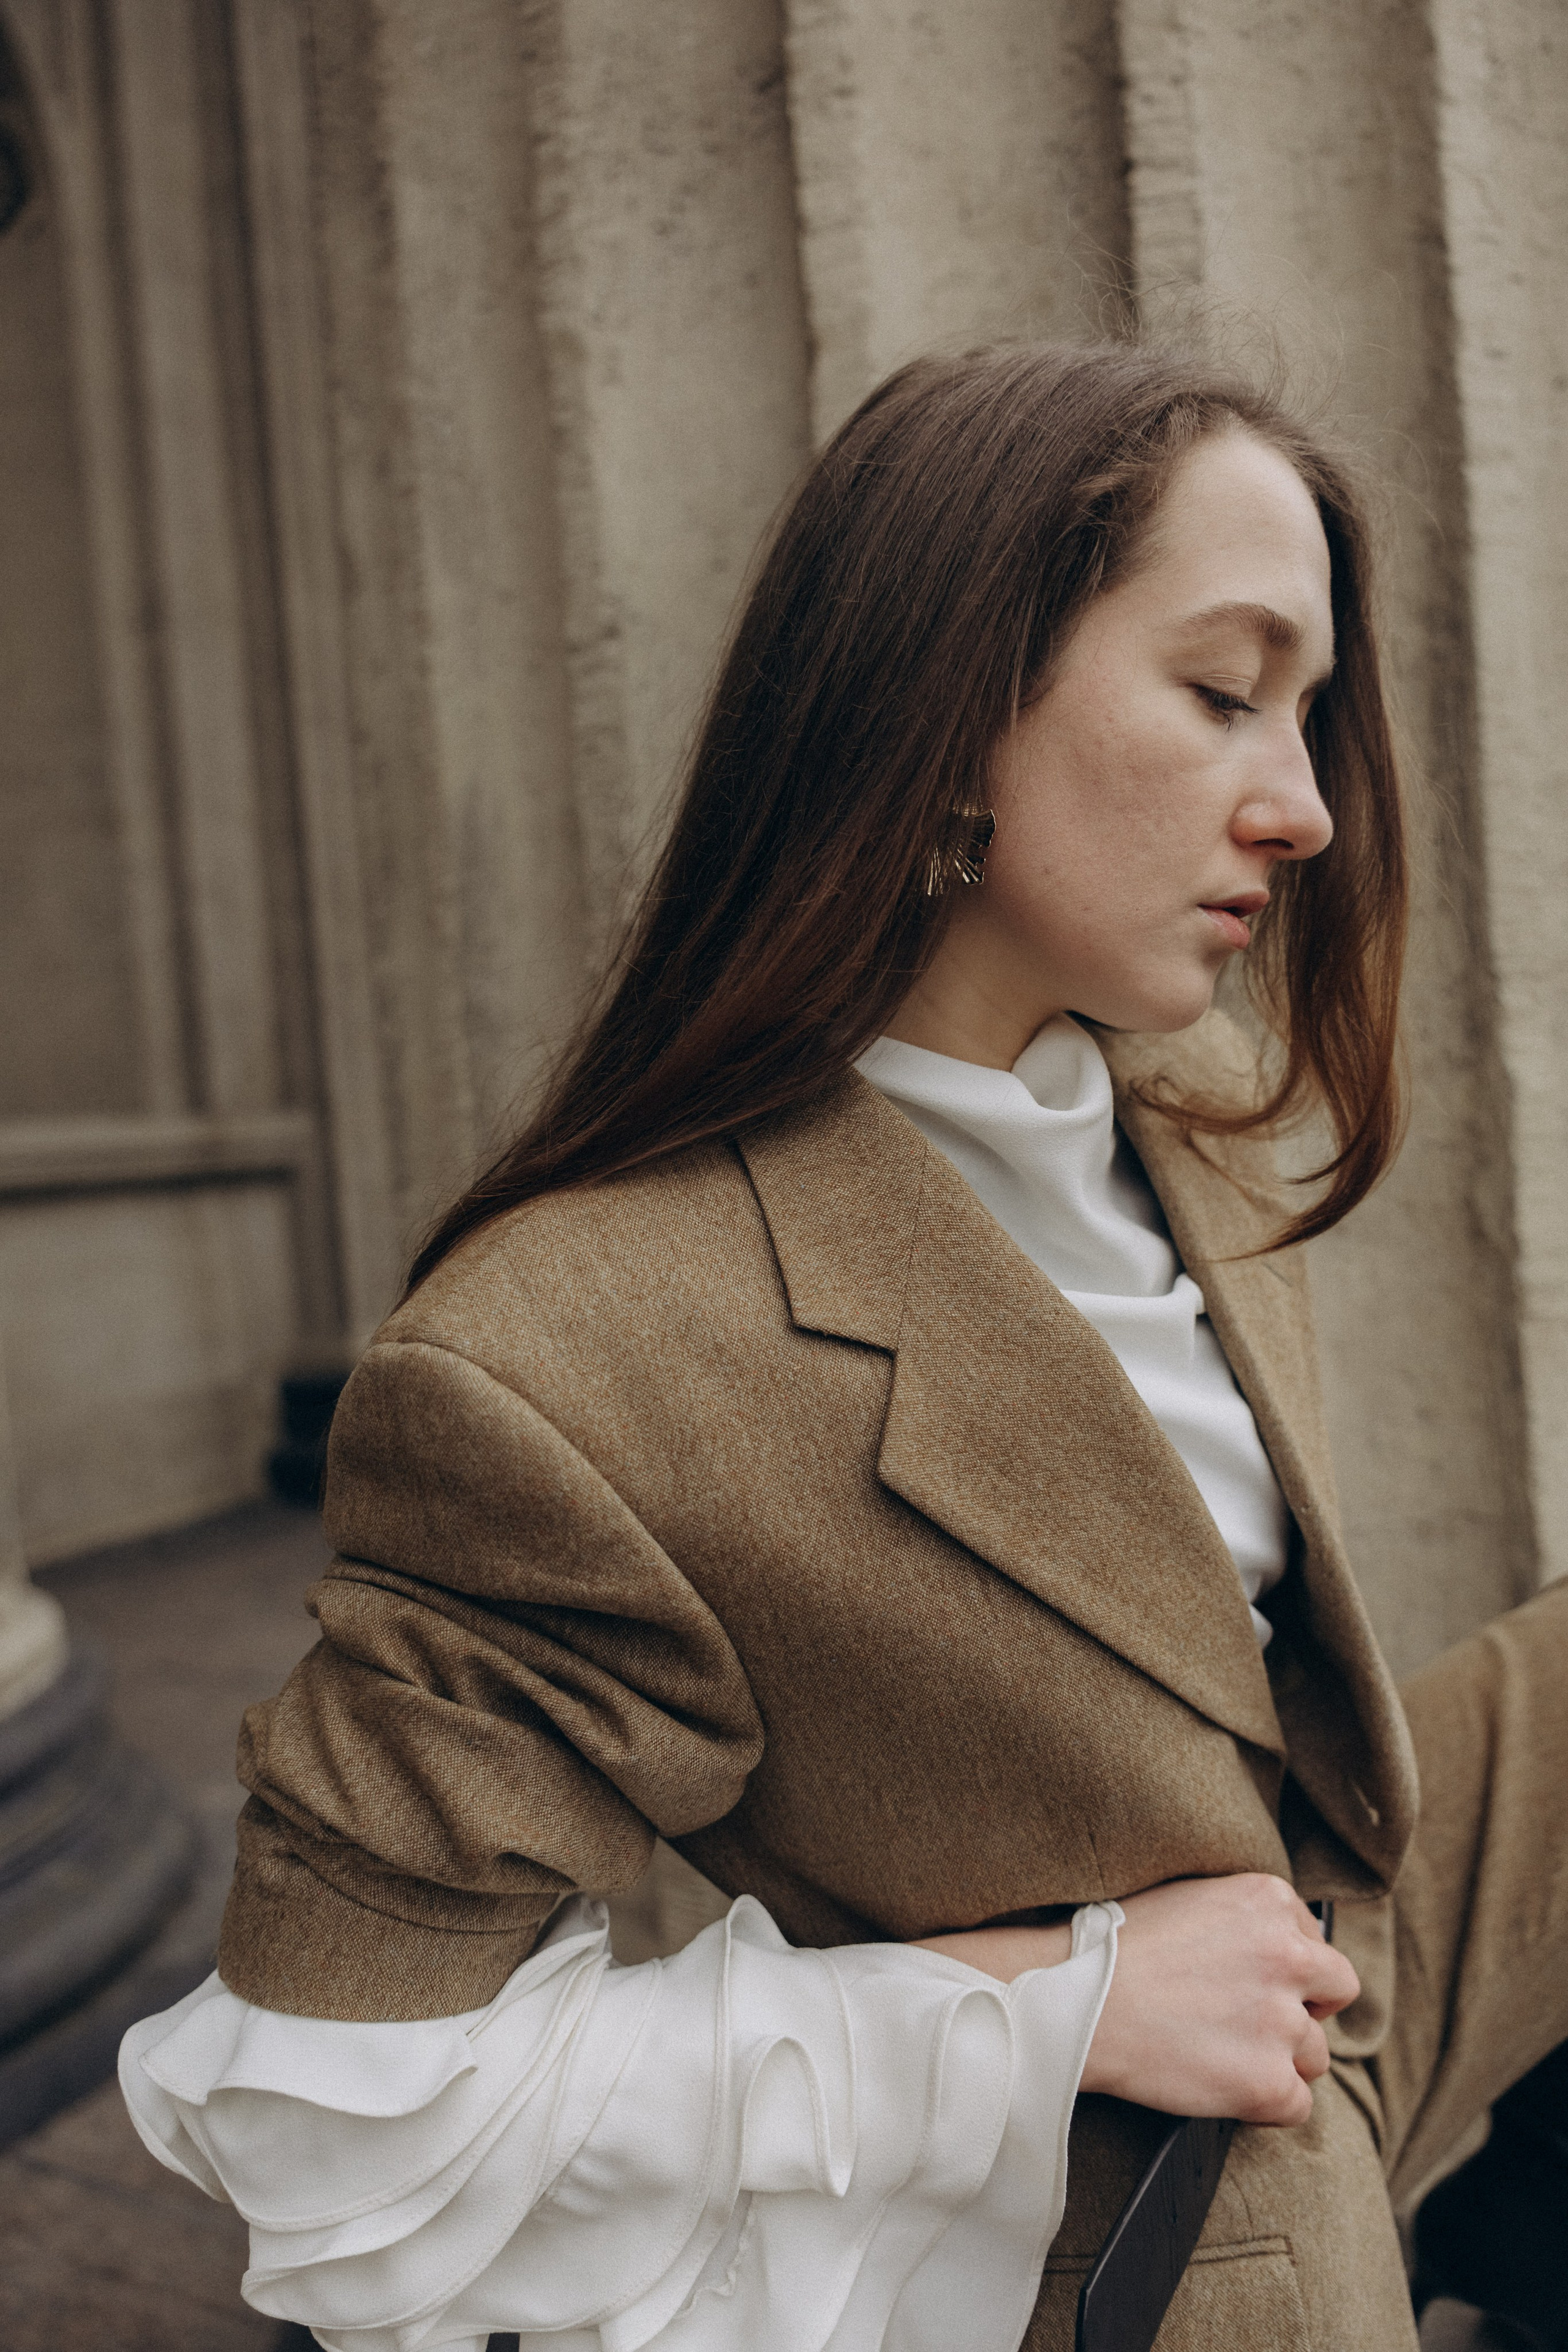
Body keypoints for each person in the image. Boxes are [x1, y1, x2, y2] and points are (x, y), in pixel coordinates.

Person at [120, 342, 1567, 2352]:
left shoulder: (1191, 1133)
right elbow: (329, 2112)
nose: (1310, 805)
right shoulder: (570, 1352)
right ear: (951, 708)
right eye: (1227, 693)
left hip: (1346, 1966)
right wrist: (1033, 2007)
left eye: (1311, 716)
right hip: (1163, 2201)